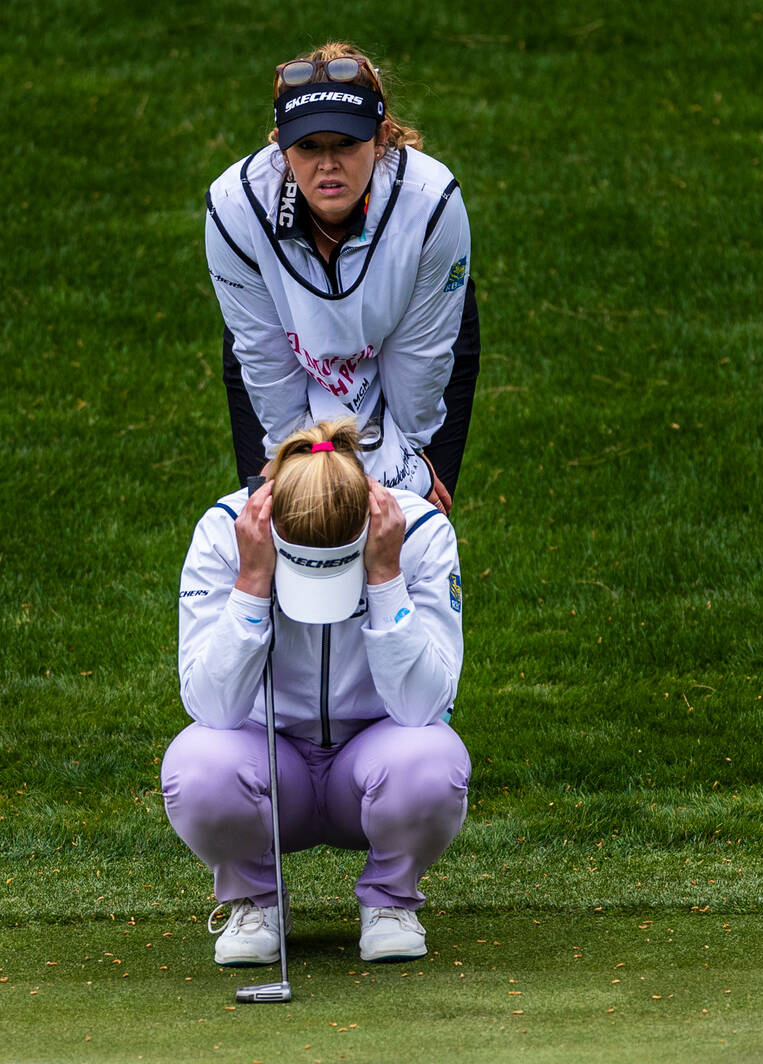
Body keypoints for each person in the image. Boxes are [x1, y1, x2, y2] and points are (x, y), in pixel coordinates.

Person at [161, 418, 471, 965]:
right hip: (270, 769)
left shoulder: (418, 530)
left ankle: (390, 902)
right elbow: (210, 707)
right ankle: (254, 902)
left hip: (376, 764)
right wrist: (252, 583)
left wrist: (386, 576)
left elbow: (425, 707)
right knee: (196, 766)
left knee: (434, 760)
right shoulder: (227, 529)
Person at [205, 41, 480, 511]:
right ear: (281, 144)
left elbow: (421, 356)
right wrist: (292, 454)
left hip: (415, 351)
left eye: (346, 144)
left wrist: (408, 459)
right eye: (308, 146)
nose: (327, 164)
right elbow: (263, 353)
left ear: (381, 137)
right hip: (283, 360)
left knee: (408, 526)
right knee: (291, 522)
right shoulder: (235, 206)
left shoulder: (432, 201)